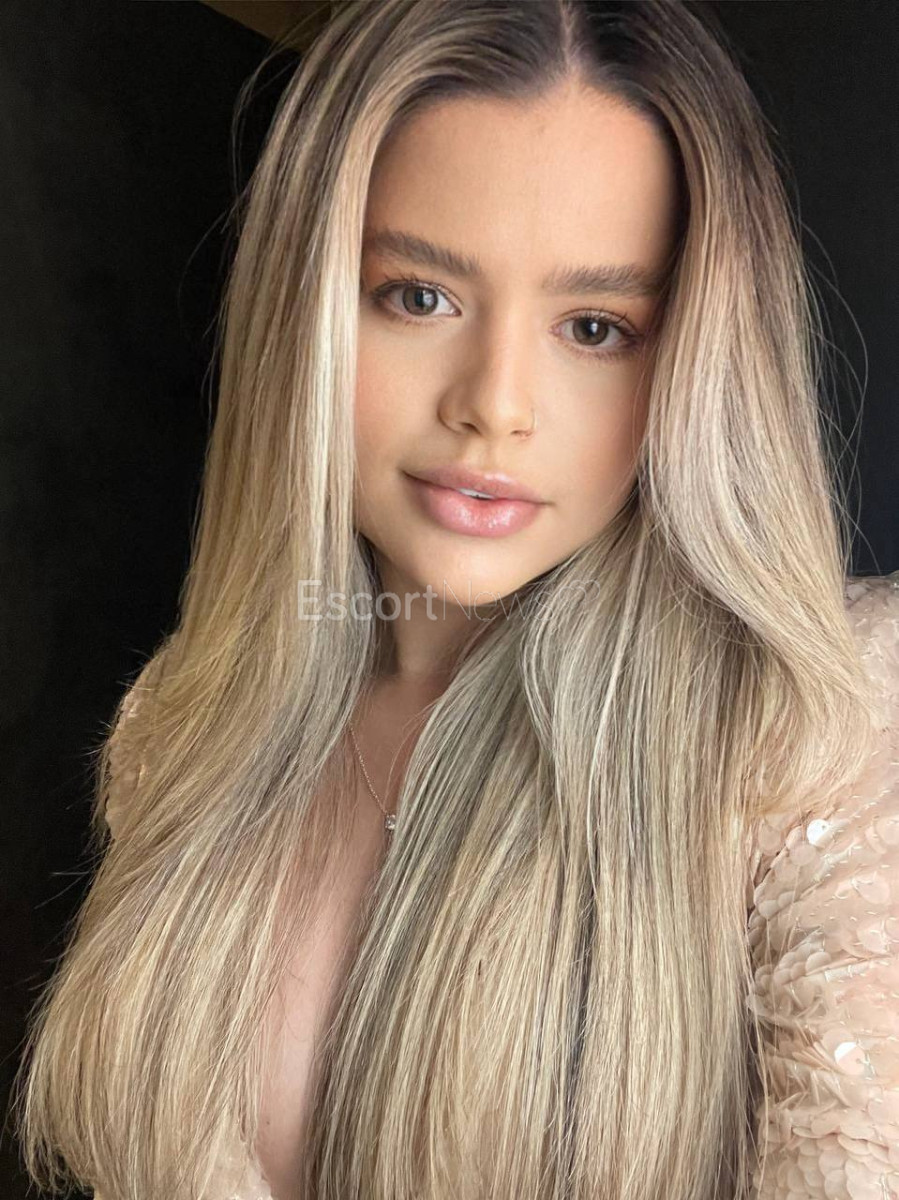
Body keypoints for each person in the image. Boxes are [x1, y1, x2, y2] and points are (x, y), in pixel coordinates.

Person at [14, 1, 899, 1198]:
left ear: (692, 360)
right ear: (304, 310)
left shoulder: (824, 727)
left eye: (595, 327)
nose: (494, 404)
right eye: (418, 296)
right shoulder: (178, 722)